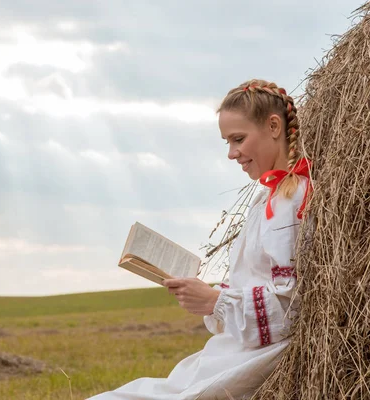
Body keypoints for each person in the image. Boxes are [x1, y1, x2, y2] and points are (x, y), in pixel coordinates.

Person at [88, 79, 311, 400]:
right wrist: (211, 297)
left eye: (239, 139)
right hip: (240, 347)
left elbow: (291, 312)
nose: (232, 153)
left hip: (260, 355)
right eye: (227, 143)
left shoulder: (290, 201)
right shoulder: (269, 198)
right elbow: (258, 283)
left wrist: (214, 302)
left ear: (274, 126)